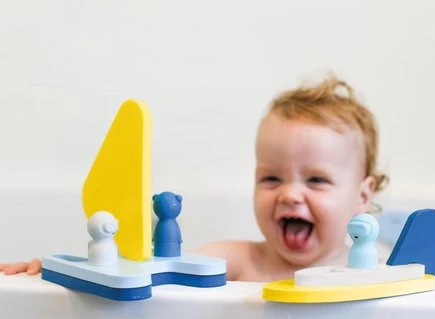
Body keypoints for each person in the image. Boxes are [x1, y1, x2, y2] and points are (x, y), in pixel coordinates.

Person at [0, 74, 388, 282]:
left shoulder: (378, 273)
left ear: (362, 196)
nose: (289, 194)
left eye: (316, 180)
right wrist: (62, 270)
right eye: (271, 178)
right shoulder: (239, 260)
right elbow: (151, 272)